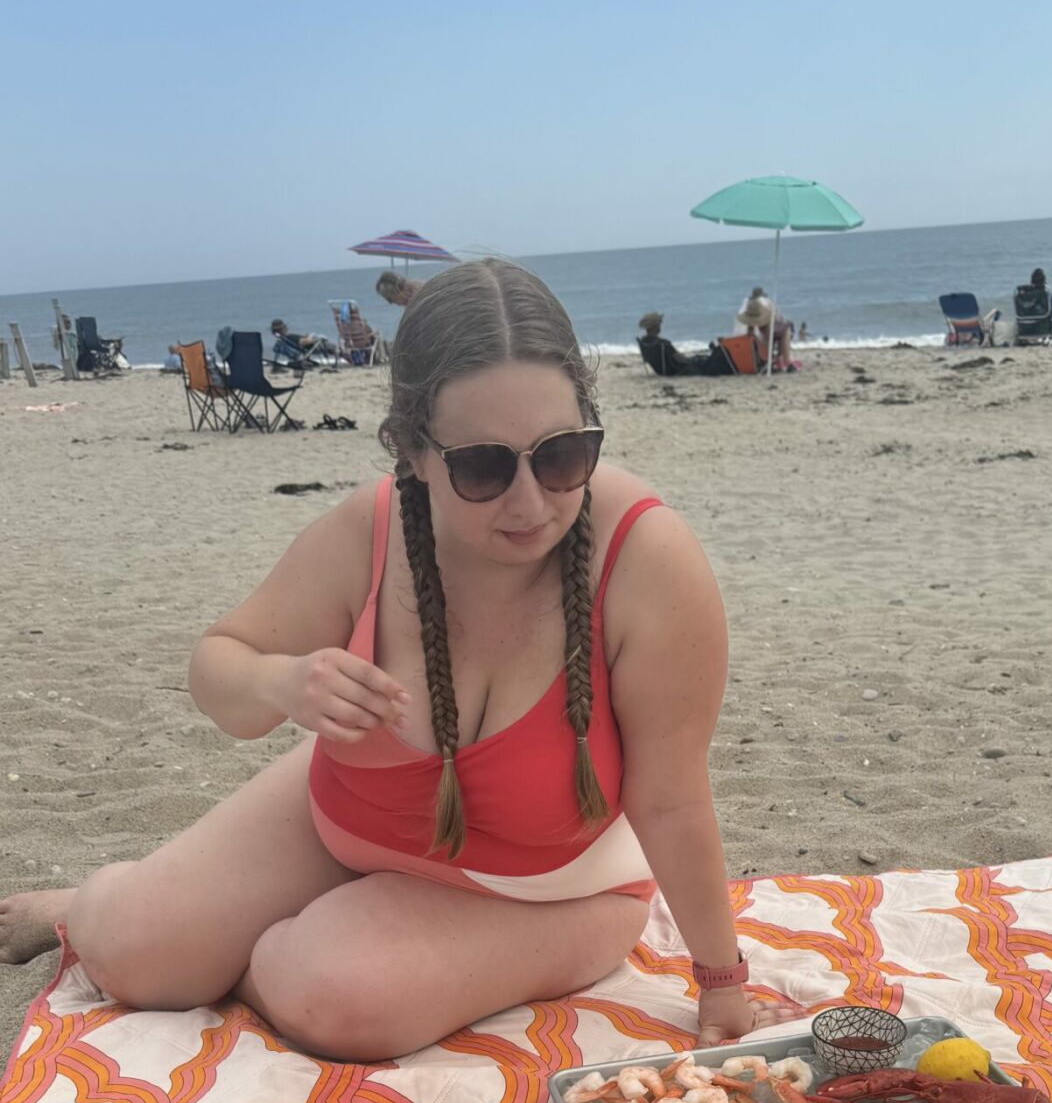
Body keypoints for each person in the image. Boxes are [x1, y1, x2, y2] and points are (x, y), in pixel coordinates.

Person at [0, 259, 801, 1060]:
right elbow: (219, 669)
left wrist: (721, 979)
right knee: (136, 951)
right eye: (483, 467)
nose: (529, 503)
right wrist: (283, 682)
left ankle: (261, 950)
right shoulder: (369, 532)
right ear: (411, 450)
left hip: (546, 891)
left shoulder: (646, 559)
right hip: (351, 821)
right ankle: (84, 907)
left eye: (560, 455)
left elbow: (671, 798)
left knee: (336, 996)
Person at [737, 288, 796, 371]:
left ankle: (782, 363)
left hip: (779, 329)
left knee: (783, 356)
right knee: (773, 349)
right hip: (773, 330)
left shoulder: (763, 313)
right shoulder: (758, 309)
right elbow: (751, 335)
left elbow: (767, 340)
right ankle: (782, 362)